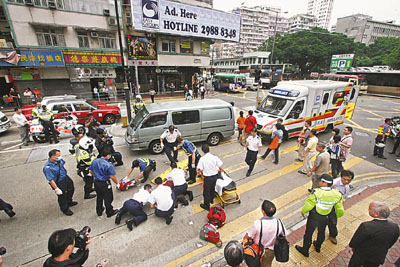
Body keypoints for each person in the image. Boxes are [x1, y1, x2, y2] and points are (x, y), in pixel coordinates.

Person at [295, 174, 344, 257]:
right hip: (326, 216)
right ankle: (318, 246)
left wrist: (303, 211)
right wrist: (338, 216)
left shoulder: (316, 193)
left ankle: (305, 250)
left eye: (320, 181)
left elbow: (309, 205)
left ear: (324, 183)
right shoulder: (337, 194)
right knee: (321, 232)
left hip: (314, 216)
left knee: (309, 233)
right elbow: (340, 209)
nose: (319, 182)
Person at [348, 201, 399, 267]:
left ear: (376, 214)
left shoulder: (366, 226)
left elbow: (354, 243)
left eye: (369, 208)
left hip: (360, 256)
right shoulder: (395, 227)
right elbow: (391, 242)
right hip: (377, 258)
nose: (368, 209)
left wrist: (353, 248)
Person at [242, 200, 286, 267]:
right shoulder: (279, 223)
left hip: (257, 250)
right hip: (271, 251)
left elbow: (247, 236)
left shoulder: (258, 224)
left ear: (263, 211)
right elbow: (283, 235)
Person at [43, 149, 77, 216]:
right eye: (58, 156)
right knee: (62, 196)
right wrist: (56, 189)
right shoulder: (48, 167)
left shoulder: (58, 160)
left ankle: (69, 201)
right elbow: (50, 179)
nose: (60, 157)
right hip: (59, 182)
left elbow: (62, 163)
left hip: (65, 177)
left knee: (71, 188)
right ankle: (65, 209)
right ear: (52, 157)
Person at [89, 146, 119, 217]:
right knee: (108, 198)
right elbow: (112, 176)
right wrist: (117, 183)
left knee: (99, 197)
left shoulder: (95, 161)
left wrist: (96, 175)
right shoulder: (108, 165)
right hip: (105, 183)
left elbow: (90, 171)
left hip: (96, 182)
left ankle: (99, 210)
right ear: (108, 155)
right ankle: (109, 212)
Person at [328, 170, 354, 245]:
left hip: (337, 205)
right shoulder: (334, 183)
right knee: (332, 221)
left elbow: (345, 196)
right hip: (330, 204)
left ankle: (332, 235)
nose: (346, 181)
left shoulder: (347, 186)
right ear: (341, 177)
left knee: (333, 221)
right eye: (344, 179)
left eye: (349, 180)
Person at [197, 144, 224, 211]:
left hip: (207, 178)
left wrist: (201, 171)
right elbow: (220, 165)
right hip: (215, 176)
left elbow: (199, 169)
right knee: (212, 188)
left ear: (203, 151)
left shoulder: (202, 159)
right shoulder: (214, 157)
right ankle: (211, 199)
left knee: (206, 192)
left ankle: (206, 205)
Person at [71, 134, 96, 199]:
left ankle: (90, 189)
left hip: (84, 167)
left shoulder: (78, 147)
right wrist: (93, 156)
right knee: (88, 181)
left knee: (91, 180)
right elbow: (89, 161)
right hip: (85, 169)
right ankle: (87, 194)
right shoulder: (83, 153)